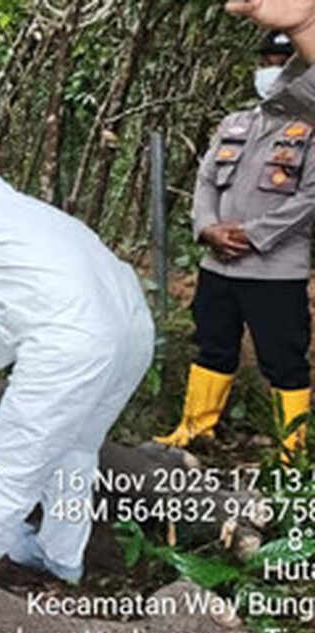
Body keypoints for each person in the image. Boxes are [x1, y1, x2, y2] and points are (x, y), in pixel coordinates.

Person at [0, 156, 153, 582]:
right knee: (77, 451)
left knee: (12, 460)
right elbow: (31, 308)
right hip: (133, 335)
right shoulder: (36, 217)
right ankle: (61, 557)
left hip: (72, 343)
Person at [154, 32, 314, 461]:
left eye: (284, 60)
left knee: (283, 357)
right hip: (218, 265)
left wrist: (252, 235)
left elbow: (309, 197)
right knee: (212, 343)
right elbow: (206, 181)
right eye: (267, 59)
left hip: (275, 270)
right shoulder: (234, 123)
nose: (273, 68)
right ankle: (194, 428)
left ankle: (291, 450)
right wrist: (207, 227)